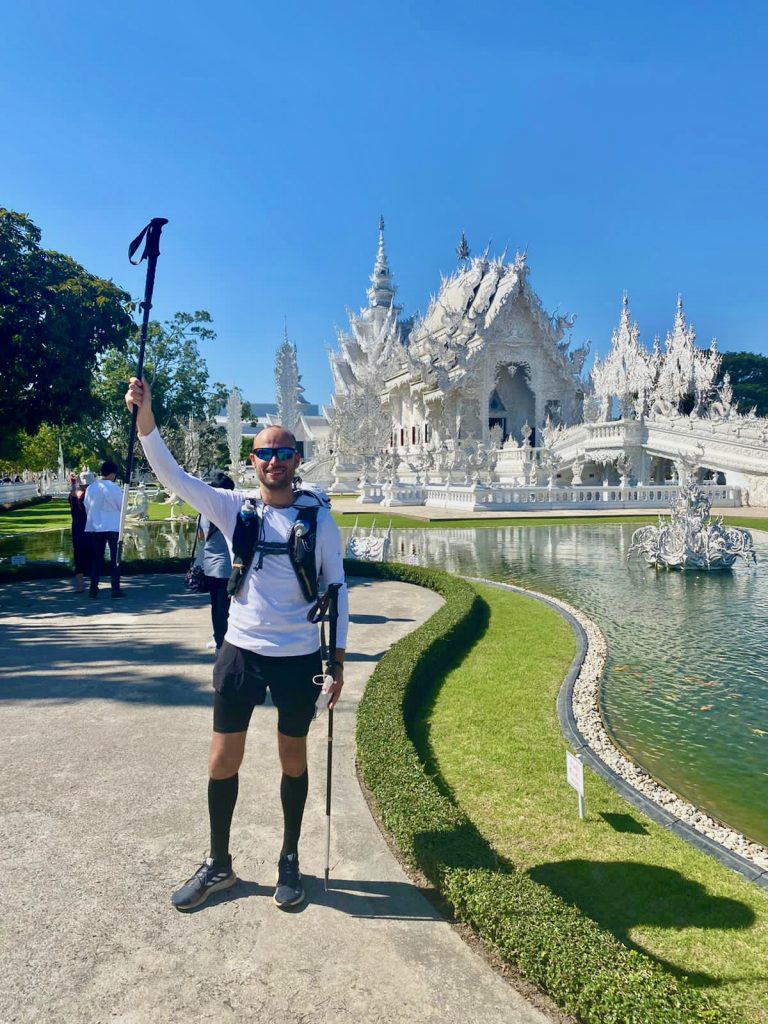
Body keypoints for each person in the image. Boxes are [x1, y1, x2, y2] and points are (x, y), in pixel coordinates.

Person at [125, 376, 348, 911]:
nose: (274, 461)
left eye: (284, 453)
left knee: (292, 758)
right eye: (265, 453)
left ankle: (289, 859)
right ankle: (219, 864)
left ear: (298, 460)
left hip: (297, 656)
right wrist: (145, 416)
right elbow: (173, 478)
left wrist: (337, 662)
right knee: (223, 758)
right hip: (241, 651)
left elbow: (337, 592)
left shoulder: (319, 521)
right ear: (253, 461)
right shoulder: (233, 509)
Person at [199, 471, 235, 652]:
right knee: (229, 607)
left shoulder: (204, 511)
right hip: (228, 565)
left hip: (210, 565)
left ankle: (219, 638)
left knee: (216, 606)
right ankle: (225, 641)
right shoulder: (230, 511)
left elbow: (200, 536)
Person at [84, 461, 124, 599]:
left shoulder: (91, 488)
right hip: (113, 526)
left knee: (96, 559)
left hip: (96, 527)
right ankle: (115, 589)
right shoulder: (115, 488)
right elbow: (122, 507)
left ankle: (93, 589)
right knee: (115, 559)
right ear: (112, 474)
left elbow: (87, 506)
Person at [68, 471, 94, 592]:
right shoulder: (92, 495)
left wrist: (74, 484)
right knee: (93, 555)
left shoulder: (74, 495)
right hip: (91, 528)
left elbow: (74, 493)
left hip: (78, 529)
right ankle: (94, 584)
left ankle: (80, 585)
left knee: (78, 555)